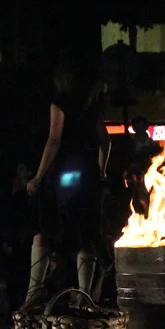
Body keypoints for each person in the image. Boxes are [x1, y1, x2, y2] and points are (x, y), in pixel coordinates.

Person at [22, 60, 111, 308]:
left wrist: (38, 176)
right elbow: (106, 142)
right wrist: (102, 171)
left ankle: (34, 290)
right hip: (88, 175)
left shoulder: (60, 103)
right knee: (85, 233)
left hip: (62, 172)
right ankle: (84, 295)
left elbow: (54, 140)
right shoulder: (92, 105)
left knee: (43, 226)